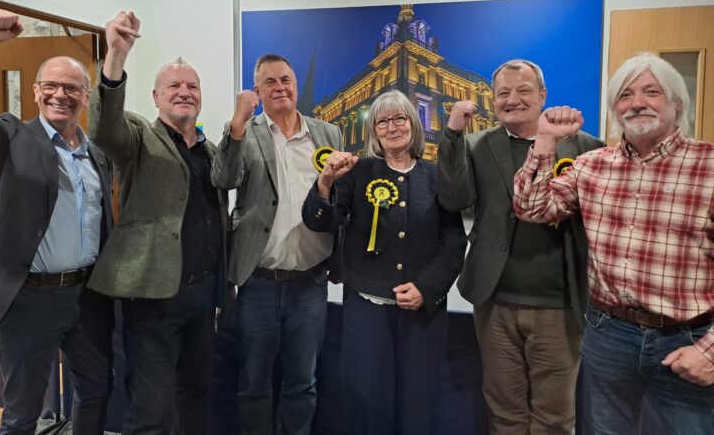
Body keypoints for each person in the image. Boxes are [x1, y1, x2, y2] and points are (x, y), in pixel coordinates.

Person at [513, 52, 714, 434]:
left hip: (689, 338)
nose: (636, 102)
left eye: (651, 92)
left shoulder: (709, 165)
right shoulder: (591, 165)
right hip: (609, 334)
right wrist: (544, 140)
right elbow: (531, 208)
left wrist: (711, 352)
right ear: (614, 109)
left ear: (676, 103)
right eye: (625, 95)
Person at [0, 7, 115, 434]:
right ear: (35, 91)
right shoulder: (9, 138)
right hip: (28, 299)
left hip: (86, 296)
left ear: (86, 96)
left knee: (97, 388)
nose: (60, 95)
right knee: (22, 413)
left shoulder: (96, 156)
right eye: (50, 86)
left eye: (71, 87)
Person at [437, 59, 603, 434]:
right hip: (494, 303)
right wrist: (451, 137)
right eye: (503, 93)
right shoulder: (477, 146)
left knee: (555, 417)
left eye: (524, 90)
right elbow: (452, 198)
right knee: (504, 411)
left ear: (543, 96)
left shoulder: (586, 147)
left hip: (559, 307)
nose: (513, 99)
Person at [87, 10, 228, 434]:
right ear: (155, 97)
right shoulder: (136, 137)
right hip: (152, 298)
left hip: (203, 296)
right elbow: (104, 127)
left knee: (195, 394)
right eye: (174, 86)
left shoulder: (211, 150)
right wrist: (115, 58)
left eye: (192, 87)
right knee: (151, 408)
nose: (184, 92)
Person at [302, 90, 465, 435]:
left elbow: (454, 241)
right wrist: (325, 182)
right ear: (375, 131)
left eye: (400, 118)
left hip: (423, 314)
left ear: (414, 124)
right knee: (367, 405)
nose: (392, 127)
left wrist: (427, 288)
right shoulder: (356, 172)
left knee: (417, 407)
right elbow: (321, 221)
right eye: (383, 121)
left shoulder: (436, 176)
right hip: (366, 310)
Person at [211, 53, 342, 435]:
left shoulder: (327, 134)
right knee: (254, 384)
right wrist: (236, 123)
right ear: (257, 91)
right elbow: (224, 178)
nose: (280, 87)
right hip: (259, 283)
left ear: (296, 85)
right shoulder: (243, 132)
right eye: (270, 82)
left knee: (303, 383)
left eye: (285, 79)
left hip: (310, 285)